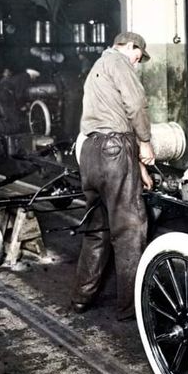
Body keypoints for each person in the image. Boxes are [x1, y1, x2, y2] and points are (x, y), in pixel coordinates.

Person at [70, 32, 155, 320]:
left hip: (91, 152)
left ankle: (82, 296)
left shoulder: (97, 67)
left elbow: (106, 121)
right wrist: (145, 143)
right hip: (115, 150)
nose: (138, 62)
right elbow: (135, 103)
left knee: (97, 229)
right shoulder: (120, 63)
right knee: (129, 229)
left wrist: (137, 167)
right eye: (138, 55)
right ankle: (131, 308)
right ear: (129, 47)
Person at [0, 68, 41, 135]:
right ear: (32, 76)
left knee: (8, 117)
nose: (35, 80)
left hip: (3, 94)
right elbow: (19, 94)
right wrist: (22, 106)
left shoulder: (21, 76)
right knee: (14, 122)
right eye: (35, 77)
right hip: (6, 95)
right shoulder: (26, 78)